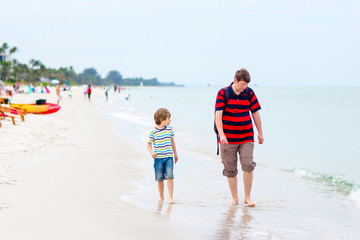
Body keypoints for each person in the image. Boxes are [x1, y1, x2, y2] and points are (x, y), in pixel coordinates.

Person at [215, 68, 264, 207]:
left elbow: (255, 113)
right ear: (235, 80)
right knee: (230, 170)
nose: (245, 87)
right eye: (242, 84)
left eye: (247, 84)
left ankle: (247, 197)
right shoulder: (223, 93)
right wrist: (221, 134)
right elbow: (218, 115)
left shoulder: (249, 93)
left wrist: (260, 132)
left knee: (248, 166)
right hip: (227, 139)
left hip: (246, 136)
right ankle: (235, 198)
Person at [147, 108, 178, 204]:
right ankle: (161, 196)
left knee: (170, 177)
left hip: (169, 157)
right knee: (160, 179)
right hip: (158, 159)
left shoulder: (169, 129)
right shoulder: (153, 132)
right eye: (168, 118)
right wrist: (152, 152)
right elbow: (148, 144)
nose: (170, 120)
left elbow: (172, 141)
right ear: (162, 119)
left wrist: (175, 154)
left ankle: (171, 197)